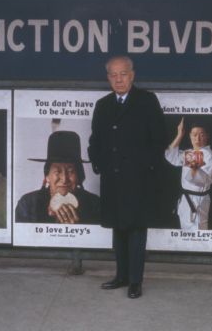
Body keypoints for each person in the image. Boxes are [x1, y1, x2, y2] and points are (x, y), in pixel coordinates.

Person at [88, 56, 167, 299]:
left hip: (138, 178)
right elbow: (95, 141)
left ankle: (135, 281)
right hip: (112, 178)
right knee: (118, 228)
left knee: (135, 229)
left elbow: (159, 139)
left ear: (132, 75)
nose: (119, 79)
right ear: (108, 78)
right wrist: (99, 165)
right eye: (113, 75)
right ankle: (121, 276)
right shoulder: (103, 105)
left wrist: (147, 168)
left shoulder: (147, 101)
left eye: (123, 74)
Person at [15, 131, 100, 224]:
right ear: (47, 176)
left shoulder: (95, 205)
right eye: (57, 171)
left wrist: (78, 228)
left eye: (70, 171)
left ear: (79, 175)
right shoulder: (28, 204)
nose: (64, 179)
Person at [165, 118, 212, 231]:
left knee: (198, 234)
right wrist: (179, 135)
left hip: (198, 201)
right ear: (189, 136)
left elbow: (202, 181)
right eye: (194, 134)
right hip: (185, 200)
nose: (197, 138)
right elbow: (170, 156)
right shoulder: (189, 153)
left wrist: (194, 168)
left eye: (201, 135)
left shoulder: (209, 155)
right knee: (185, 232)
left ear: (207, 136)